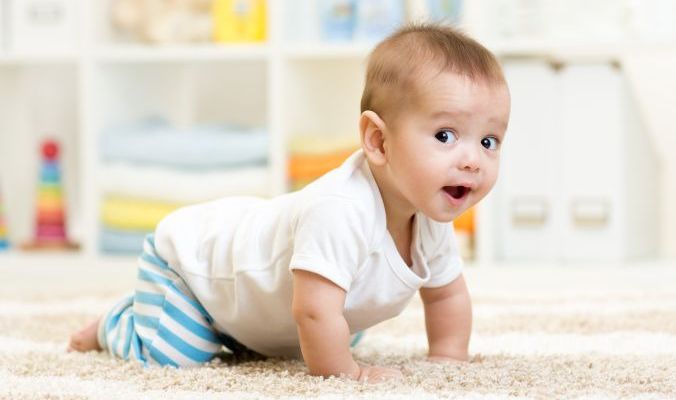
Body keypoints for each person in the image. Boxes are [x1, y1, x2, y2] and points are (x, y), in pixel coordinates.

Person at [68, 23, 511, 383]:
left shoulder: (428, 216)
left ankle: (242, 335)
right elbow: (312, 311)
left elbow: (446, 295)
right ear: (378, 140)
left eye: (489, 141)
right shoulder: (340, 209)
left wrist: (449, 358)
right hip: (195, 272)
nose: (472, 160)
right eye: (445, 136)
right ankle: (118, 323)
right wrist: (348, 375)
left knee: (337, 329)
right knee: (177, 354)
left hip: (262, 313)